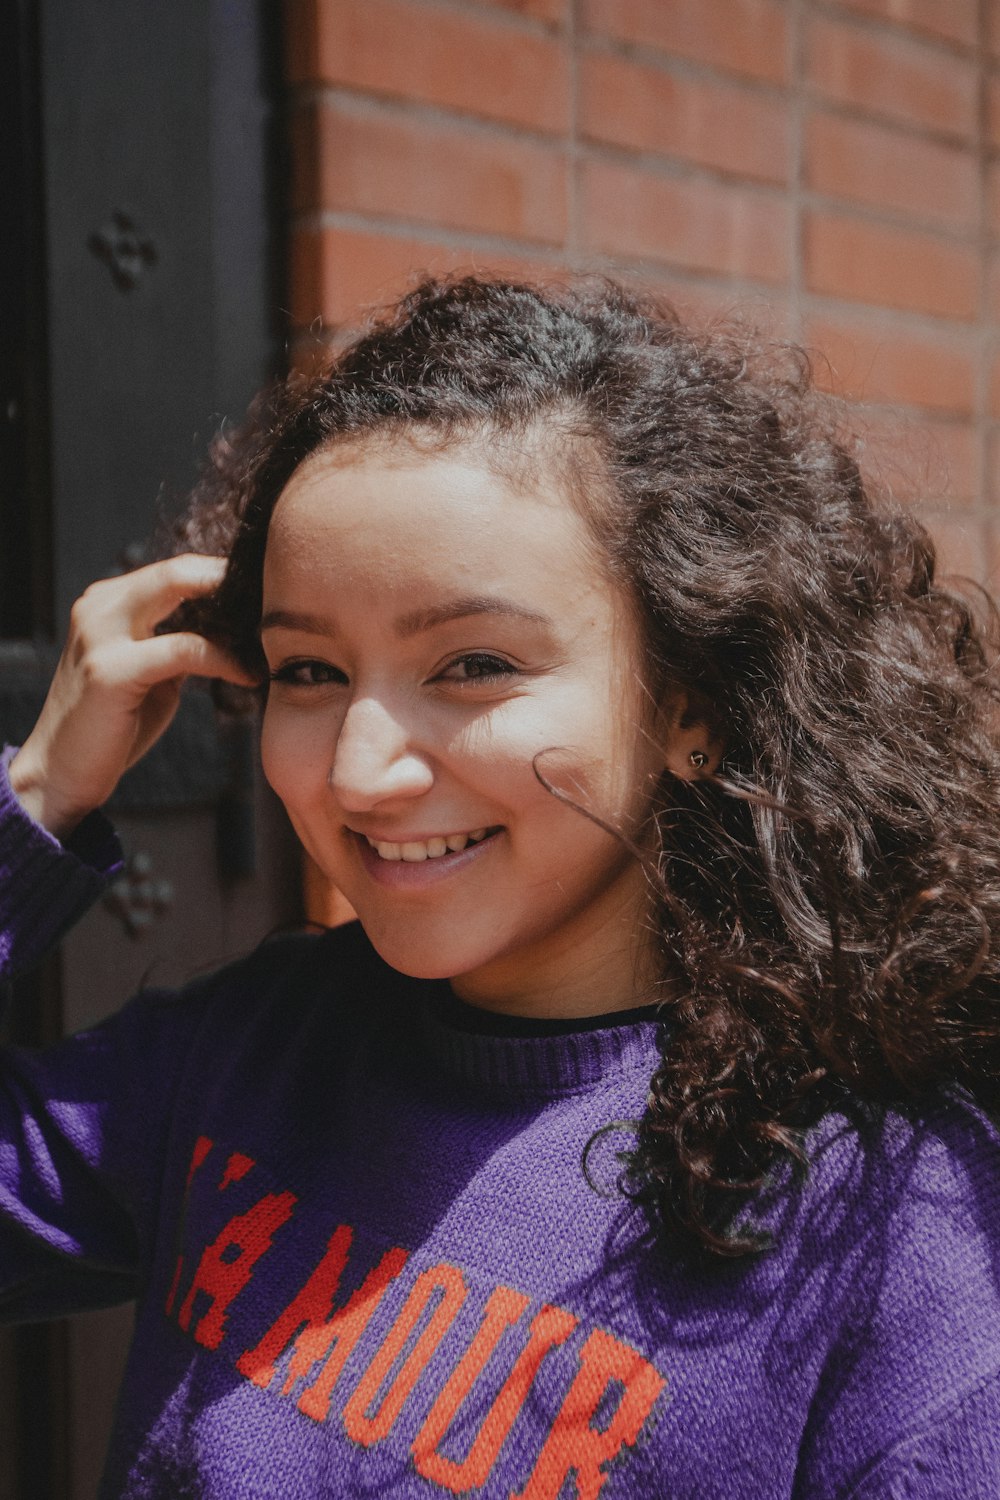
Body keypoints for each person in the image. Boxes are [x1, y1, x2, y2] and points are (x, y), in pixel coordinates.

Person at [2, 276, 999, 1499]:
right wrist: (40, 797)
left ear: (686, 702)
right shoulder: (242, 1056)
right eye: (306, 669)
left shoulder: (891, 1229)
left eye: (473, 664)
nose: (362, 771)